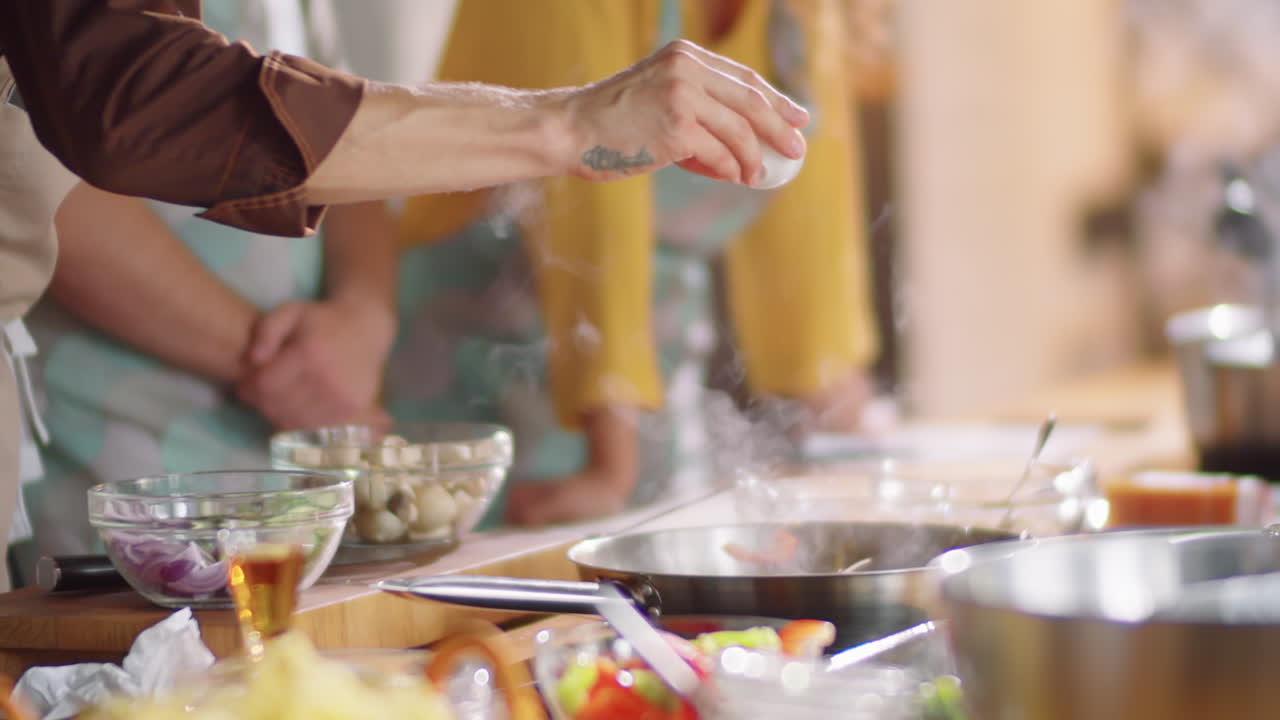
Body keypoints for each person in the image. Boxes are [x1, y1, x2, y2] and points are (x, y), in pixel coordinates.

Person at [0, 1, 809, 585]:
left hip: (304, 425)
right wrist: (563, 126)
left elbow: (343, 131)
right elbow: (123, 109)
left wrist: (361, 314)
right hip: (121, 432)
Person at [390, 0, 879, 527]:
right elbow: (595, 214)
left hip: (651, 407)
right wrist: (612, 469)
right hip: (487, 396)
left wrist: (848, 434)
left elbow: (812, 240)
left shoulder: (807, 15)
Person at [9, 1, 396, 583]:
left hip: (292, 466)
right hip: (117, 466)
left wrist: (365, 316)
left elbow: (353, 148)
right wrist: (286, 368)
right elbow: (37, 187)